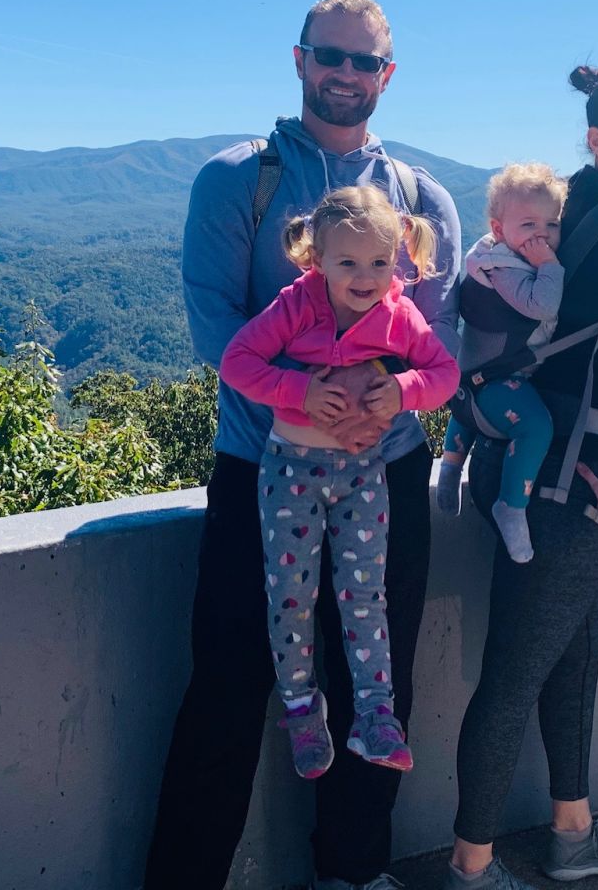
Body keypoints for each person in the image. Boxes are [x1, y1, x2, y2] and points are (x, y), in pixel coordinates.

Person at [145, 0, 461, 890]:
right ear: (298, 59)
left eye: (366, 62)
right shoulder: (236, 178)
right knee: (230, 686)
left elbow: (443, 343)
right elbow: (216, 327)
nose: (347, 74)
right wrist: (306, 394)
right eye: (332, 55)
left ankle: (353, 876)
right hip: (261, 469)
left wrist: (389, 394)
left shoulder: (422, 198)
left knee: (376, 681)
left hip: (387, 472)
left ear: (388, 75)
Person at [444, 66, 598, 889]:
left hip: (514, 458)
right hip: (570, 484)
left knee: (581, 642)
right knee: (516, 671)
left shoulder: (562, 204)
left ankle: (573, 834)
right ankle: (471, 867)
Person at [219, 185, 459, 779]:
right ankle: (303, 709)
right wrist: (299, 391)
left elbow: (444, 374)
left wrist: (402, 393)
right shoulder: (296, 305)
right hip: (290, 470)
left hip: (363, 475)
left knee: (364, 597)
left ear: (398, 259)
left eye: (379, 262)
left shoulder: (399, 313)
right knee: (292, 596)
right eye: (347, 262)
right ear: (315, 258)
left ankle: (377, 718)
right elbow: (237, 362)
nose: (365, 276)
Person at [435, 163, 567, 563]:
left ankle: (449, 471)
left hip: (467, 384)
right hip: (494, 385)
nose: (542, 235)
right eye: (528, 225)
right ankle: (512, 506)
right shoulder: (506, 269)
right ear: (498, 229)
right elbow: (542, 305)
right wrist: (550, 267)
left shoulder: (487, 258)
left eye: (552, 223)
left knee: (465, 410)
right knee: (537, 427)